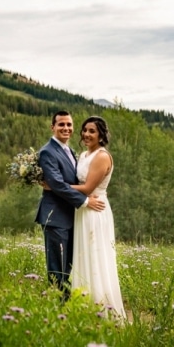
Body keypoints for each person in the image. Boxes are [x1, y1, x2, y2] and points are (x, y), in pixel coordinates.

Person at [36, 111, 106, 300]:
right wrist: (85, 201)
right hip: (55, 217)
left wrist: (87, 192)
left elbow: (69, 182)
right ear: (53, 127)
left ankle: (68, 304)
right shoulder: (47, 151)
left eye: (69, 125)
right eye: (61, 125)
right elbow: (57, 185)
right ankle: (57, 308)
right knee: (57, 268)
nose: (66, 128)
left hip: (71, 216)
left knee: (69, 266)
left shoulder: (69, 151)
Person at [69, 116, 125, 319]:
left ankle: (102, 309)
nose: (86, 134)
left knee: (96, 255)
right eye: (84, 130)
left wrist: (55, 186)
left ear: (101, 134)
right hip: (82, 209)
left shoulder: (102, 156)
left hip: (95, 209)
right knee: (83, 254)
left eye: (92, 131)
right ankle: (83, 305)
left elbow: (87, 188)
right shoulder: (84, 154)